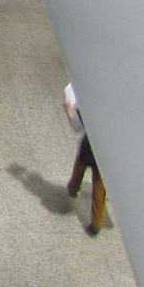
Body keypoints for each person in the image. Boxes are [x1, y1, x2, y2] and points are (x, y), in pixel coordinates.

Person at [64, 83, 108, 236]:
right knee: (99, 190)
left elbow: (76, 127)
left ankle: (73, 188)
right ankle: (96, 223)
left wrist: (68, 110)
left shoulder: (86, 110)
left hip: (87, 150)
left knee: (79, 170)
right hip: (105, 158)